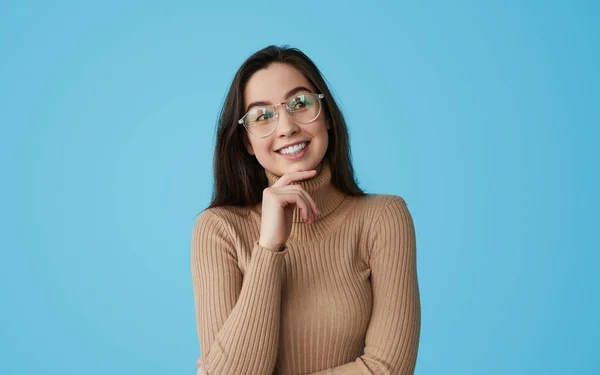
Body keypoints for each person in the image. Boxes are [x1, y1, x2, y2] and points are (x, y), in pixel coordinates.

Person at [191, 45, 421, 375]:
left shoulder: (384, 218)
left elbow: (389, 370)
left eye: (300, 104)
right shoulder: (219, 230)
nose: (286, 127)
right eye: (262, 116)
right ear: (246, 142)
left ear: (325, 115)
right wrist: (269, 246)